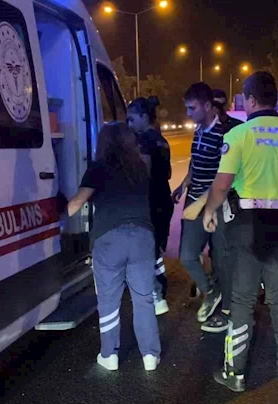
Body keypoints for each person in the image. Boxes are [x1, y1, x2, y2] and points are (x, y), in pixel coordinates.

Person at [203, 72, 278, 391]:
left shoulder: (239, 135)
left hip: (246, 224)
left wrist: (209, 211)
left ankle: (236, 374)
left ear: (251, 100)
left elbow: (222, 184)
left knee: (242, 300)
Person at [66, 122, 161, 372]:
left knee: (109, 299)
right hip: (143, 236)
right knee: (143, 299)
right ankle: (150, 356)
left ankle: (110, 355)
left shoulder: (98, 168)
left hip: (109, 239)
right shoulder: (141, 166)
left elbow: (75, 206)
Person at [172, 82, 231, 333]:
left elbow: (224, 177)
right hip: (194, 199)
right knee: (187, 255)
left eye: (192, 108)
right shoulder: (198, 131)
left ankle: (229, 310)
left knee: (221, 258)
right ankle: (210, 292)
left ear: (207, 106)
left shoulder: (224, 134)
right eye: (187, 108)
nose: (188, 113)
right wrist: (183, 185)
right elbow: (195, 164)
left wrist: (201, 203)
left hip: (215, 203)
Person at [128, 96, 173, 317]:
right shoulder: (161, 140)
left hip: (150, 201)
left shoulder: (144, 141)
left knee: (148, 249)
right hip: (163, 198)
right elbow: (168, 173)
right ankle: (159, 288)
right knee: (156, 248)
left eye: (132, 119)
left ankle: (156, 292)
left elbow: (143, 174)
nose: (129, 124)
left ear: (144, 117)